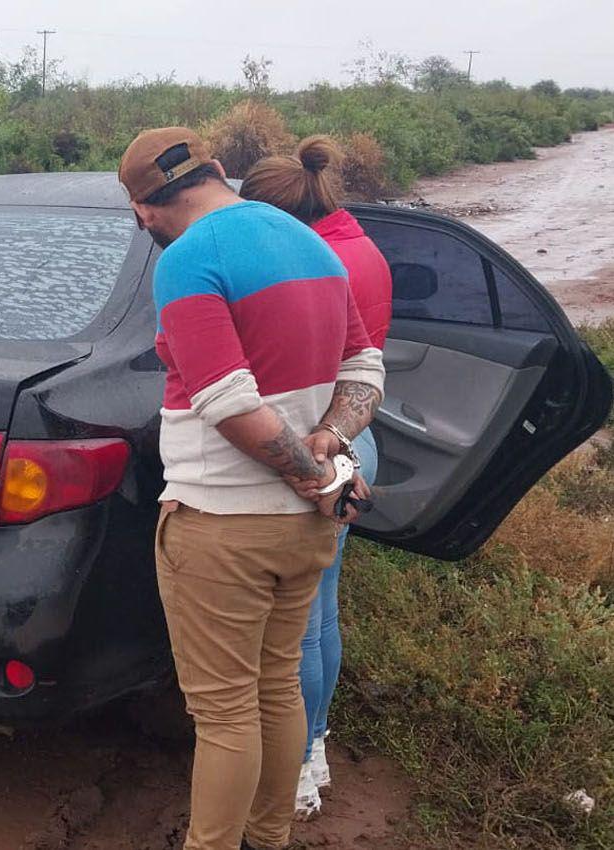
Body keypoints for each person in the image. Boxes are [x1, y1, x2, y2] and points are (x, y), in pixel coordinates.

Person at [117, 127, 385, 850]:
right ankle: (269, 840)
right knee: (274, 688)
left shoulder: (190, 260)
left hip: (221, 525)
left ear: (144, 209)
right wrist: (329, 453)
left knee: (226, 714)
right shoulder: (309, 242)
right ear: (218, 170)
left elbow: (228, 401)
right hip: (304, 531)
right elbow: (364, 368)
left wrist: (306, 472)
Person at [240, 136, 393, 819]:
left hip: (319, 447)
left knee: (297, 623)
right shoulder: (360, 245)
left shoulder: (312, 263)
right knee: (318, 614)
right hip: (358, 439)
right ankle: (316, 749)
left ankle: (298, 766)